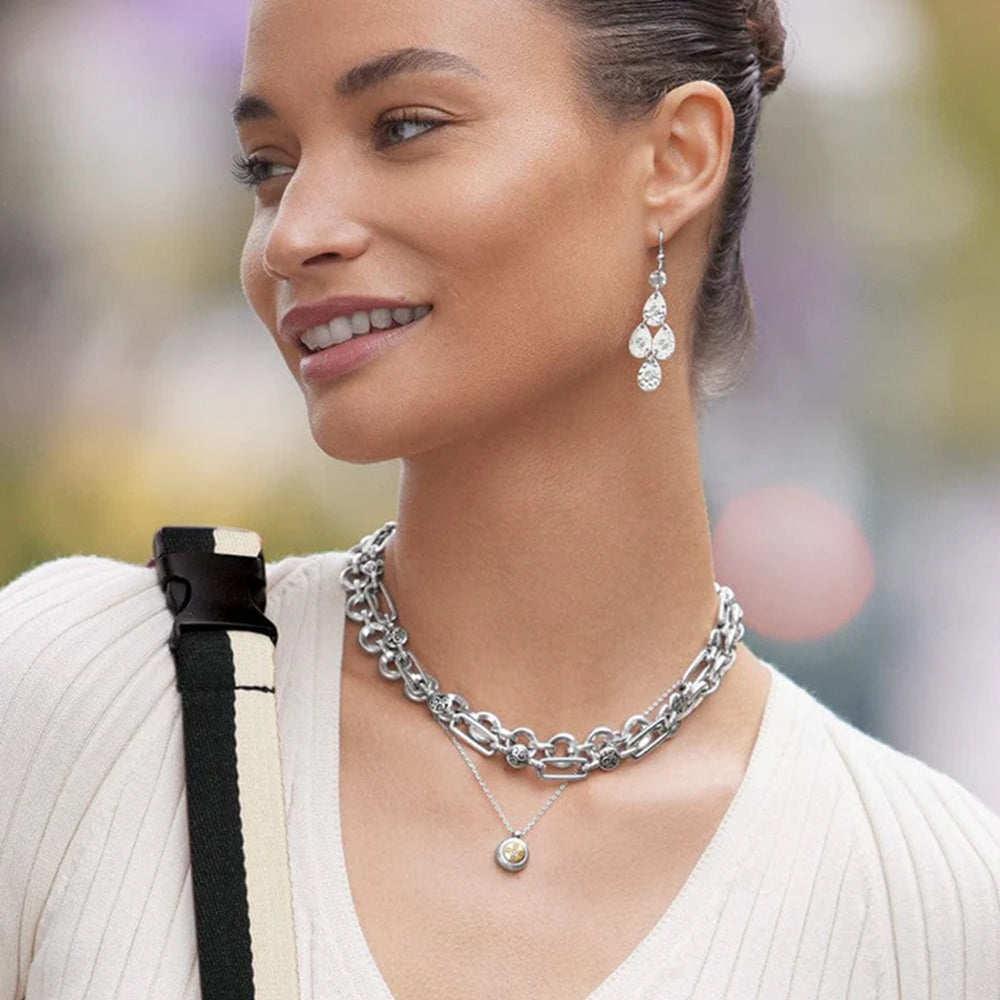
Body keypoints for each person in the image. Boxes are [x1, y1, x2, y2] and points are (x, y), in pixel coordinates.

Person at [2, 0, 998, 997]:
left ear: (675, 158)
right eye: (269, 165)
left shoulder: (925, 903)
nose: (292, 233)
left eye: (403, 129)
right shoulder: (93, 706)